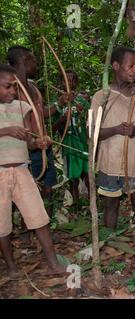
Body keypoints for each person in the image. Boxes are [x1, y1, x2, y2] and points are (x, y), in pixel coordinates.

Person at [0, 63, 66, 276]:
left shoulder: (22, 107)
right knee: (2, 225)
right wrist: (7, 130)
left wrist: (38, 143)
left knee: (39, 218)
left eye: (14, 87)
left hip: (21, 170)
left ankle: (54, 263)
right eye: (6, 87)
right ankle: (11, 267)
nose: (12, 91)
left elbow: (29, 141)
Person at [90, 46, 135, 255]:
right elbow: (93, 133)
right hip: (110, 161)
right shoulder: (102, 95)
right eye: (131, 66)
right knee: (111, 204)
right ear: (116, 66)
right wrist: (116, 130)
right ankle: (109, 248)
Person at [7, 46, 66, 219]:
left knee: (47, 189)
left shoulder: (32, 86)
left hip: (43, 146)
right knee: (25, 194)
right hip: (24, 150)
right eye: (33, 60)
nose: (36, 64)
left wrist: (60, 103)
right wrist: (31, 141)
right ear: (24, 61)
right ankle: (27, 233)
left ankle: (45, 224)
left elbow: (42, 113)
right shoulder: (11, 90)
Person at [51, 70, 90, 207]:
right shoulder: (57, 104)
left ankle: (92, 207)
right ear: (61, 83)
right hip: (69, 148)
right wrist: (62, 118)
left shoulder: (82, 103)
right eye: (66, 80)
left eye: (72, 80)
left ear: (76, 83)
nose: (69, 83)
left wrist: (82, 112)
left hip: (83, 147)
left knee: (88, 177)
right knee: (73, 180)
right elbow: (52, 129)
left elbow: (89, 123)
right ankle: (77, 208)